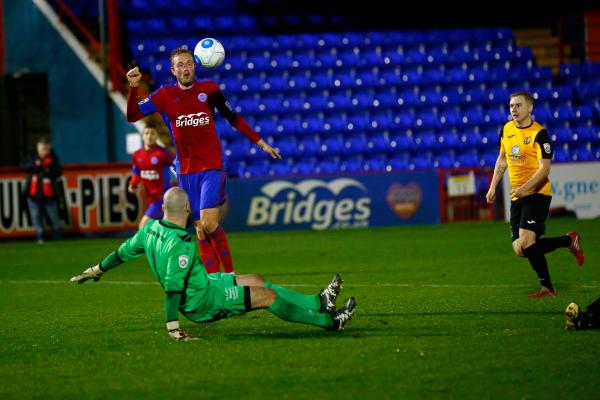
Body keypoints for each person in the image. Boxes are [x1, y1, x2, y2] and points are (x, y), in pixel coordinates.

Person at [70, 187, 356, 340]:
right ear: (185, 209)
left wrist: (97, 269)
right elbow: (172, 290)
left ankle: (319, 301)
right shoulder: (180, 245)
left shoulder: (148, 230)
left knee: (256, 279)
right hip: (203, 301)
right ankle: (330, 322)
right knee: (266, 297)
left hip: (205, 283)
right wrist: (173, 329)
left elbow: (120, 253)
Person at [125, 48, 281, 275]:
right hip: (186, 171)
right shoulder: (164, 95)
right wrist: (133, 88)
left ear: (195, 66)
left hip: (211, 166)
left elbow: (233, 118)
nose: (185, 68)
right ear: (173, 70)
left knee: (208, 224)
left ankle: (230, 276)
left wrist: (261, 143)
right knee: (199, 230)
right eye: (180, 65)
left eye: (188, 63)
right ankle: (213, 281)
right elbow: (132, 116)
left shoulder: (209, 90)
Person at [485, 91, 585, 298]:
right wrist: (493, 186)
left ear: (529, 108)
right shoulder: (506, 129)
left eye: (518, 105)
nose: (514, 109)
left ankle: (548, 288)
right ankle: (568, 241)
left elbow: (544, 169)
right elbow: (502, 159)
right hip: (517, 197)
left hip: (538, 193)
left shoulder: (540, 134)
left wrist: (524, 188)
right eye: (511, 105)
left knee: (528, 241)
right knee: (520, 249)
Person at [128, 123, 176, 229]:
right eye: (147, 133)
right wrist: (133, 184)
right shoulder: (137, 155)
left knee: (143, 226)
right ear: (142, 135)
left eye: (153, 133)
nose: (149, 136)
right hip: (151, 199)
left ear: (157, 136)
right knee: (160, 229)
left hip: (162, 198)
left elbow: (177, 166)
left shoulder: (163, 153)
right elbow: (136, 173)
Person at [20, 136, 63, 244]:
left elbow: (58, 171)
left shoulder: (53, 158)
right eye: (42, 147)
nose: (44, 150)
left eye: (46, 148)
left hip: (49, 195)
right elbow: (22, 166)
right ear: (38, 147)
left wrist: (47, 168)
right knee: (36, 216)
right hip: (33, 195)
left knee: (53, 216)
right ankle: (40, 235)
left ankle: (58, 235)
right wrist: (34, 164)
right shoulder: (32, 157)